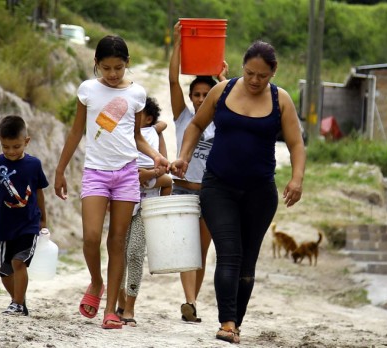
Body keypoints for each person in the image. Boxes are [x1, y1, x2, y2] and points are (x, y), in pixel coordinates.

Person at [170, 40, 306, 343]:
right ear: (242, 68)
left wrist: (297, 179)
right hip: (218, 187)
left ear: (273, 72)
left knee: (247, 263)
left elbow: (296, 143)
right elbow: (195, 125)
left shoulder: (280, 100)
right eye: (249, 74)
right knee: (229, 254)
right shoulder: (223, 91)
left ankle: (236, 322)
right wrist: (184, 156)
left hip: (260, 192)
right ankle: (227, 323)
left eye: (262, 75)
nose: (255, 81)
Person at [54, 35, 169, 330]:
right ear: (96, 64)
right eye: (106, 68)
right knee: (91, 237)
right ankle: (96, 281)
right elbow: (76, 132)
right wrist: (60, 170)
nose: (113, 74)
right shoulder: (87, 90)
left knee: (117, 241)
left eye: (118, 67)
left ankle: (111, 311)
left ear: (127, 64)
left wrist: (156, 156)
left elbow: (137, 137)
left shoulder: (137, 94)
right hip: (96, 172)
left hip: (127, 174)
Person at [169, 20, 227, 323]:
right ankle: (189, 301)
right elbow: (172, 82)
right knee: (185, 249)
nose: (201, 99)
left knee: (201, 252)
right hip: (181, 190)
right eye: (197, 95)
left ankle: (192, 302)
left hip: (209, 194)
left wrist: (222, 77)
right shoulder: (182, 118)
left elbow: (230, 92)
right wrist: (178, 44)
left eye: (207, 94)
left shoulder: (224, 119)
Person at [0, 115, 49, 316]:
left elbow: (39, 192)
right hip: (5, 227)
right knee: (5, 270)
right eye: (6, 147)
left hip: (28, 225)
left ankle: (16, 303)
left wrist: (43, 220)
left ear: (26, 141)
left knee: (18, 262)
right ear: (0, 141)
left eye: (16, 146)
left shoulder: (34, 164)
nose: (11, 152)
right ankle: (20, 303)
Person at [116, 96, 172, 327]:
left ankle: (129, 307)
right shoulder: (120, 133)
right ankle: (118, 303)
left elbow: (164, 168)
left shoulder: (151, 134)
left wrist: (147, 175)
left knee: (135, 254)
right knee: (118, 255)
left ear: (146, 118)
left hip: (146, 205)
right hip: (122, 200)